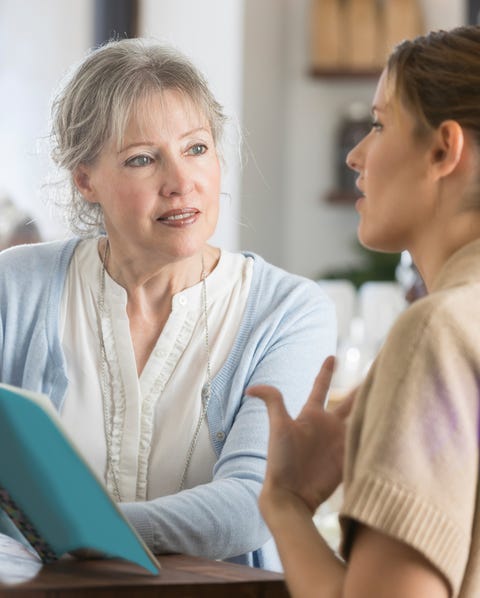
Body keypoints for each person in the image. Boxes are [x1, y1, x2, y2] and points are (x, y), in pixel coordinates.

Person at [0, 38, 336, 570]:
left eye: (197, 148)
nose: (182, 183)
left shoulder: (288, 310)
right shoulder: (15, 287)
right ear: (86, 180)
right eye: (142, 159)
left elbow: (254, 503)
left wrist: (65, 530)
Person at [248, 25, 480, 596]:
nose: (355, 155)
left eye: (379, 125)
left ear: (443, 149)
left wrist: (284, 504)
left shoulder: (439, 333)